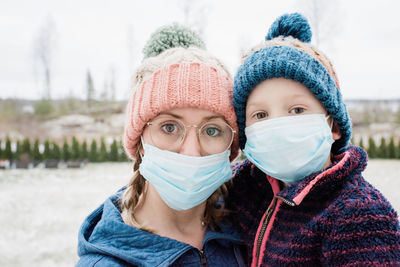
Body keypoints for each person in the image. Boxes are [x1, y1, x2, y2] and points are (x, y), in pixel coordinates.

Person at [227, 13, 400, 266]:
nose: (277, 125)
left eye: (297, 110)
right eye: (260, 114)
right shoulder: (244, 186)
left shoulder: (359, 215)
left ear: (333, 126)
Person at [77, 24, 246, 266]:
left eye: (212, 130)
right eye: (169, 127)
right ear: (141, 140)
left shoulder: (250, 227)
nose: (191, 151)